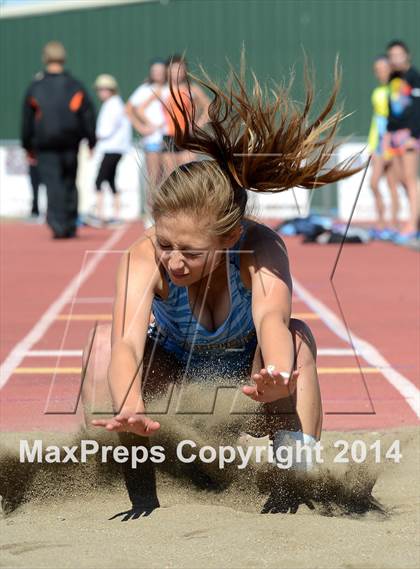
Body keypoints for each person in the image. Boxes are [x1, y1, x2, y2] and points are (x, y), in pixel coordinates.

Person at [82, 63, 360, 513]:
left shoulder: (261, 248)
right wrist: (131, 406)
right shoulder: (142, 257)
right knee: (98, 345)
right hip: (176, 383)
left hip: (248, 387)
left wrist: (277, 372)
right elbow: (126, 345)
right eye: (166, 243)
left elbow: (272, 318)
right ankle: (140, 490)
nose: (173, 260)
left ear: (229, 238)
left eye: (189, 251)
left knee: (298, 340)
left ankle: (295, 483)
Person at [21, 41, 96, 239]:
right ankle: (70, 224)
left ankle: (58, 225)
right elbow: (87, 115)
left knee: (53, 184)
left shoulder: (36, 87)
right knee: (70, 182)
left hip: (45, 145)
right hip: (70, 143)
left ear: (45, 58)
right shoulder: (75, 85)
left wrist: (27, 146)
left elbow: (27, 119)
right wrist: (91, 140)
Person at [384, 40, 420, 242]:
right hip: (395, 136)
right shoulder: (392, 78)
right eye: (392, 56)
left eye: (399, 55)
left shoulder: (414, 76)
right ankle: (414, 218)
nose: (395, 59)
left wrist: (413, 136)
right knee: (399, 180)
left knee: (410, 179)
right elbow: (391, 110)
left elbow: (417, 108)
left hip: (410, 135)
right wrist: (388, 135)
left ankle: (413, 224)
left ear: (407, 55)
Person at [91, 74, 132, 227]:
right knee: (110, 180)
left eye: (103, 89)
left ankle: (99, 214)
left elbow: (106, 129)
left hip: (112, 147)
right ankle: (115, 214)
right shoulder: (113, 104)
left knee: (99, 180)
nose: (100, 92)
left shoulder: (113, 105)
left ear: (111, 90)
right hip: (114, 147)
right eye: (99, 89)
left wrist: (95, 137)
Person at [159, 54, 211, 173]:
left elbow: (209, 106)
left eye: (180, 69)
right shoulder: (161, 89)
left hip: (187, 135)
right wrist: (148, 125)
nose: (177, 72)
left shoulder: (192, 88)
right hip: (169, 136)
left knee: (188, 173)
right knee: (171, 175)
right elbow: (137, 108)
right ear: (168, 70)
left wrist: (198, 124)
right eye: (173, 69)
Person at [367, 55, 399, 239]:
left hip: (392, 139)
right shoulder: (378, 90)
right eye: (377, 68)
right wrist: (372, 145)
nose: (380, 71)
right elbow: (376, 120)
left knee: (392, 183)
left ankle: (393, 223)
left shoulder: (395, 88)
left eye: (383, 67)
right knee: (374, 183)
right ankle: (381, 221)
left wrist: (389, 142)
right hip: (378, 138)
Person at [126, 59, 167, 189]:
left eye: (161, 70)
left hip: (169, 136)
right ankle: (152, 207)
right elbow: (128, 109)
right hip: (153, 138)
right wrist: (141, 127)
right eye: (155, 71)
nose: (158, 73)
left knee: (168, 176)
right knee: (154, 175)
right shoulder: (145, 89)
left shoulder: (170, 88)